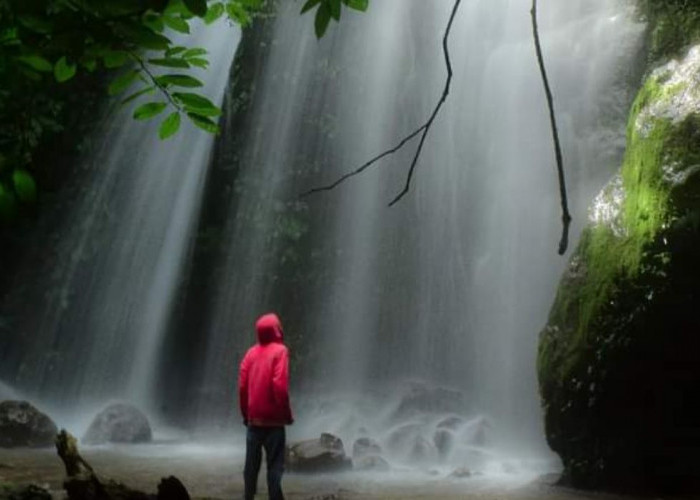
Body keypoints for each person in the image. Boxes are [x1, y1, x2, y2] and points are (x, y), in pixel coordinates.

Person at [238, 312, 293, 500]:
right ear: (277, 329)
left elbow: (243, 386)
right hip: (274, 421)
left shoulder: (250, 353)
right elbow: (280, 386)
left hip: (253, 419)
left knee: (251, 465)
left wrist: (245, 414)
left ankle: (248, 496)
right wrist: (286, 414)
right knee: (275, 466)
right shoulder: (280, 351)